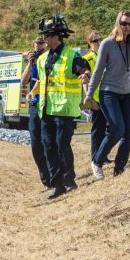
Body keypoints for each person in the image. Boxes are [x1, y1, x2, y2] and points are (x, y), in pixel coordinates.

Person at [85, 11, 130, 179]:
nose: (127, 27)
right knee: (117, 130)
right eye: (124, 23)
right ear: (117, 23)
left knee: (129, 133)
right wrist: (89, 95)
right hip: (109, 93)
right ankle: (97, 161)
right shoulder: (107, 43)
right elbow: (98, 71)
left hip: (128, 93)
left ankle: (119, 170)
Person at [35, 16, 91, 198]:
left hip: (64, 109)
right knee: (48, 146)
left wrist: (86, 76)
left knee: (61, 145)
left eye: (47, 35)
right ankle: (56, 185)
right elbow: (42, 81)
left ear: (56, 36)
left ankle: (69, 180)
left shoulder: (71, 55)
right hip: (46, 109)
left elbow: (85, 69)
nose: (44, 39)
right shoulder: (42, 59)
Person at [20, 36, 50, 188]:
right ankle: (45, 176)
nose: (39, 47)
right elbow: (23, 82)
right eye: (37, 44)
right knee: (35, 143)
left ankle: (52, 175)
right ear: (33, 46)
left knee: (48, 141)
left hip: (48, 104)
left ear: (46, 45)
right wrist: (30, 62)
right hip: (34, 105)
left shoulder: (49, 59)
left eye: (42, 44)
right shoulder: (32, 62)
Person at [82, 31, 106, 162]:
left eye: (99, 39)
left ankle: (103, 155)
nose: (98, 43)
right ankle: (96, 156)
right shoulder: (88, 58)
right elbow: (84, 81)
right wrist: (88, 98)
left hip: (106, 95)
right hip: (95, 97)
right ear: (89, 44)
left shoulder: (103, 55)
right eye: (95, 41)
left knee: (105, 128)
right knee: (97, 129)